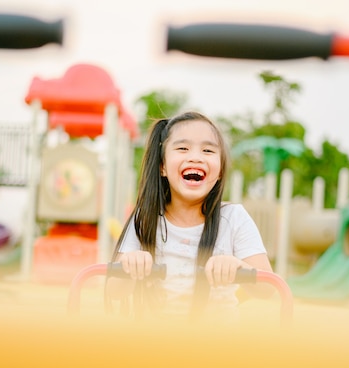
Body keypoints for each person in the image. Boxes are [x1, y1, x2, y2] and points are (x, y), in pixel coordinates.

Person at [105, 111, 274, 319]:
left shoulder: (233, 218)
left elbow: (268, 289)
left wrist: (238, 266)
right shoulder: (146, 218)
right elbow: (114, 291)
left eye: (208, 150)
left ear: (220, 170)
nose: (195, 157)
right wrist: (130, 264)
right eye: (183, 148)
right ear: (163, 167)